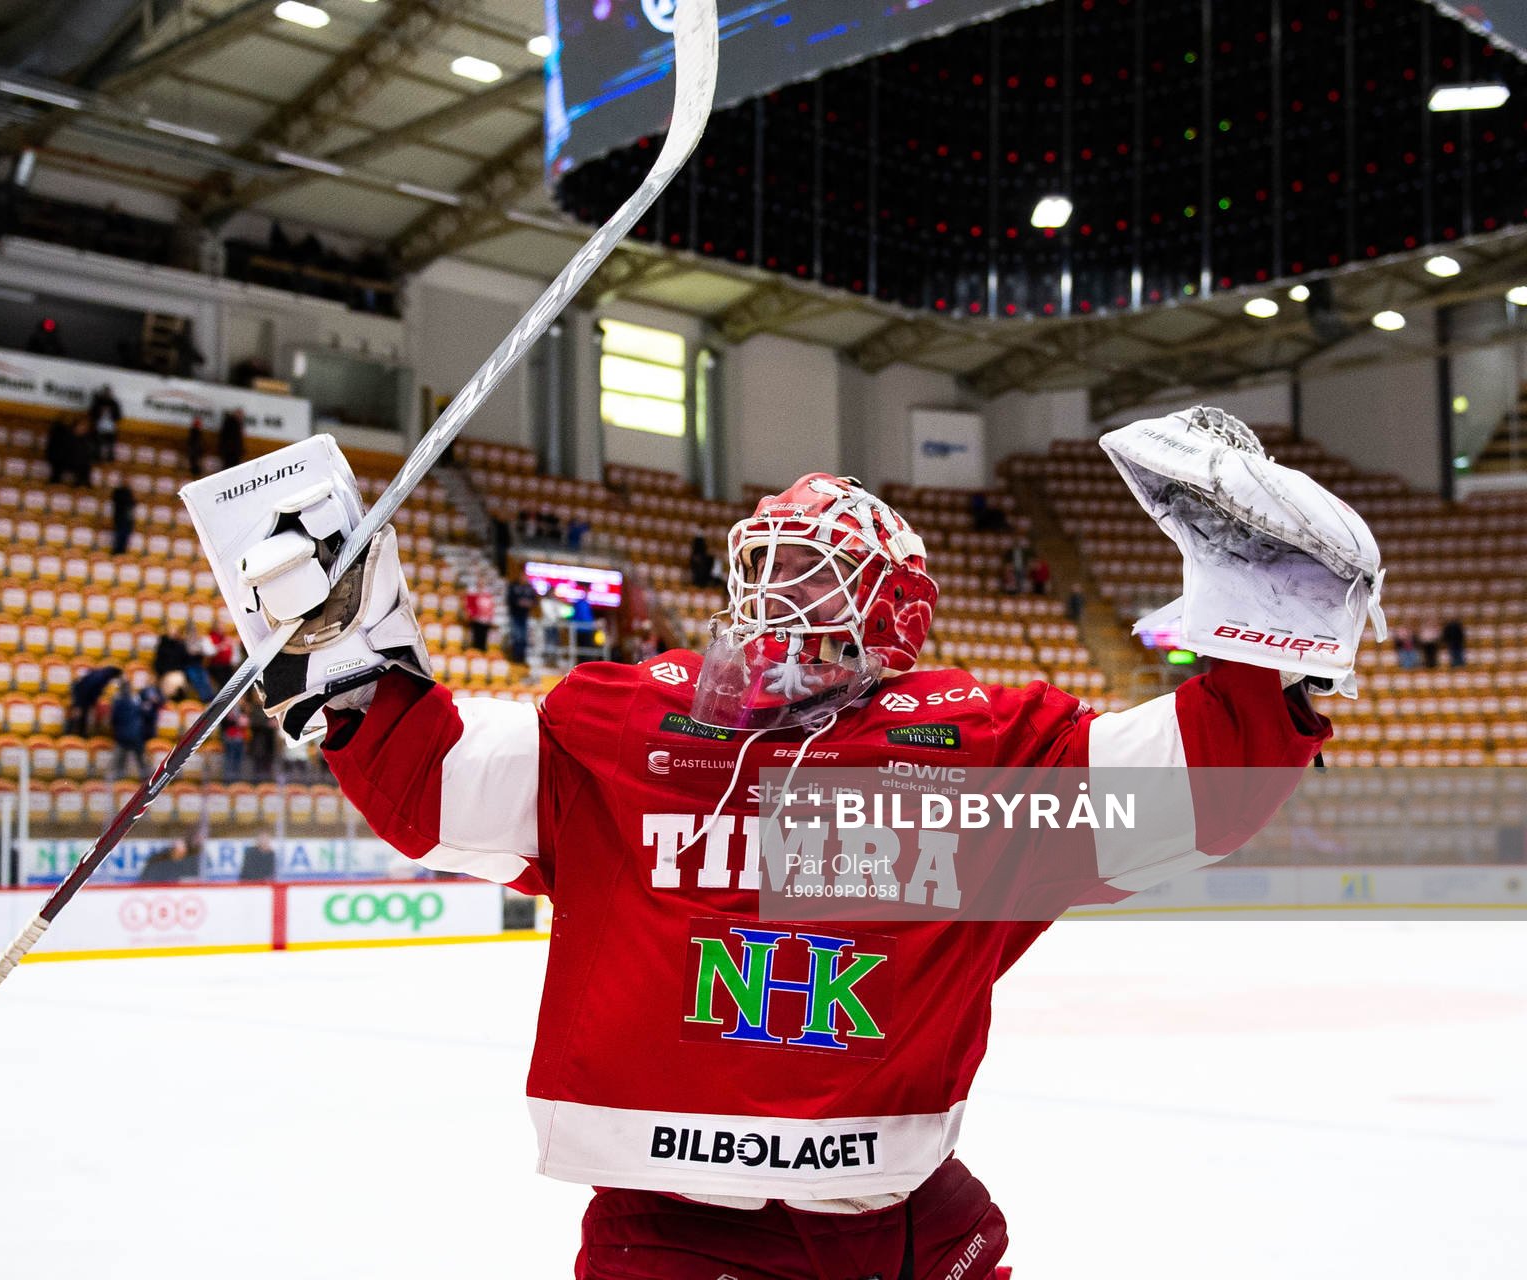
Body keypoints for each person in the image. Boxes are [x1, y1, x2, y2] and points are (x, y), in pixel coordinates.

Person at [218, 411, 1370, 1279]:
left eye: (819, 573)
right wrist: (349, 670)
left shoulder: (972, 747)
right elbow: (435, 779)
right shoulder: (626, 721)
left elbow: (1191, 787)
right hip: (674, 1225)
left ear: (897, 615)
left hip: (890, 1217)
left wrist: (1276, 633)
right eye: (769, 567)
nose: (782, 596)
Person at [66, 663, 123, 737]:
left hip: (83, 694)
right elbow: (89, 689)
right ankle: (73, 733)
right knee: (78, 714)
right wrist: (82, 703)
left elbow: (95, 690)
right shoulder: (102, 677)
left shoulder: (103, 674)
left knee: (83, 714)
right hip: (81, 694)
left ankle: (80, 733)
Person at [504, 573, 538, 665]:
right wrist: (518, 602)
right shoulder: (514, 586)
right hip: (515, 615)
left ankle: (522, 658)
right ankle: (515, 657)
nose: (524, 578)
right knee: (516, 636)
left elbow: (535, 601)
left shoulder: (529, 588)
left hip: (524, 616)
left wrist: (529, 603)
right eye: (523, 576)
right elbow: (509, 599)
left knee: (523, 637)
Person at [88, 385, 122, 462]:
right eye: (106, 393)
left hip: (111, 428)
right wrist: (99, 412)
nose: (107, 395)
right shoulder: (97, 402)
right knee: (97, 443)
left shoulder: (114, 403)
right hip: (98, 427)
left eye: (109, 393)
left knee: (110, 444)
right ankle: (96, 457)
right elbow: (91, 414)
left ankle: (110, 458)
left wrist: (111, 413)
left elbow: (118, 417)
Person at [464, 579, 496, 651]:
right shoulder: (473, 594)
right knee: (476, 638)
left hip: (486, 620)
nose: (481, 585)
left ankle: (482, 652)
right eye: (479, 583)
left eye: (482, 584)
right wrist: (472, 615)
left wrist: (490, 618)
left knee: (484, 638)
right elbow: (469, 606)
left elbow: (491, 607)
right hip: (476, 619)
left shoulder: (488, 595)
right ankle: (476, 652)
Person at [220, 707, 250, 782]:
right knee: (229, 758)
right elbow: (223, 725)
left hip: (239, 739)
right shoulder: (225, 711)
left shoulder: (241, 710)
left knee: (238, 759)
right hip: (229, 739)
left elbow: (244, 725)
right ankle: (228, 778)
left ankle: (237, 778)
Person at [110, 477, 136, 555]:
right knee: (118, 537)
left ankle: (122, 553)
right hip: (120, 518)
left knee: (125, 538)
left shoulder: (130, 492)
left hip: (128, 520)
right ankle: (116, 553)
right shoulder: (118, 491)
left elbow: (132, 504)